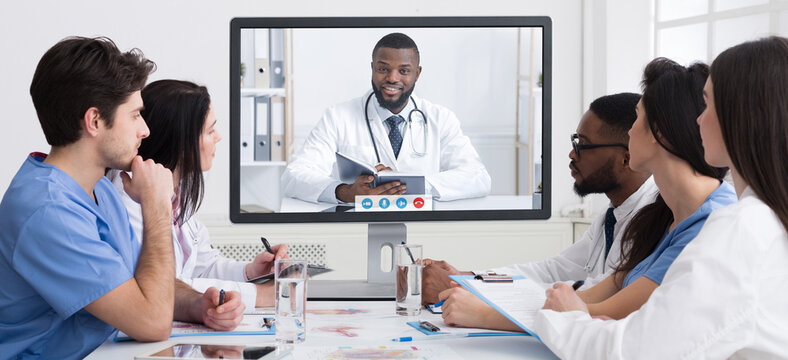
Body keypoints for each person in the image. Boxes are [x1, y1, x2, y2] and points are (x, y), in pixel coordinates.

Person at [534, 36, 788, 359]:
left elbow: (637, 350)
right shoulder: (754, 219)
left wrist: (567, 317)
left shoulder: (742, 228)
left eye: (708, 103)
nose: (699, 119)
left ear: (740, 116)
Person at [439, 58, 737, 329]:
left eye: (637, 119)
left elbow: (600, 314)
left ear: (659, 133)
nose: (630, 132)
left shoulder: (714, 223)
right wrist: (474, 284)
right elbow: (581, 293)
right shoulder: (663, 217)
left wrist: (483, 312)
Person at [0, 37, 244, 359]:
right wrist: (156, 204)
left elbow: (139, 286)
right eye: (135, 115)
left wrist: (198, 305)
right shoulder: (48, 211)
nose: (145, 130)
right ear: (95, 121)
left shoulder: (100, 190)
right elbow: (152, 322)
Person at [421, 92, 657, 305]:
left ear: (625, 159)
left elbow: (595, 295)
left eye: (583, 145)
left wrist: (465, 289)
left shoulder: (653, 221)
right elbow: (553, 271)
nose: (572, 154)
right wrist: (467, 278)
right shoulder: (612, 214)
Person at [107, 79, 289, 310]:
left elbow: (202, 265)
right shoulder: (127, 196)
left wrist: (250, 272)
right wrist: (259, 295)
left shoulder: (177, 191)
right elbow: (167, 286)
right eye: (210, 131)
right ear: (181, 141)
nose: (218, 137)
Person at [281, 32, 490, 203]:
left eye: (404, 71)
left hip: (422, 227)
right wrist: (345, 192)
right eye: (383, 69)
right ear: (372, 68)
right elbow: (293, 176)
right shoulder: (337, 117)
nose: (392, 78)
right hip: (356, 228)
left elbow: (478, 177)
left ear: (417, 74)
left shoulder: (441, 118)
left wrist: (411, 185)